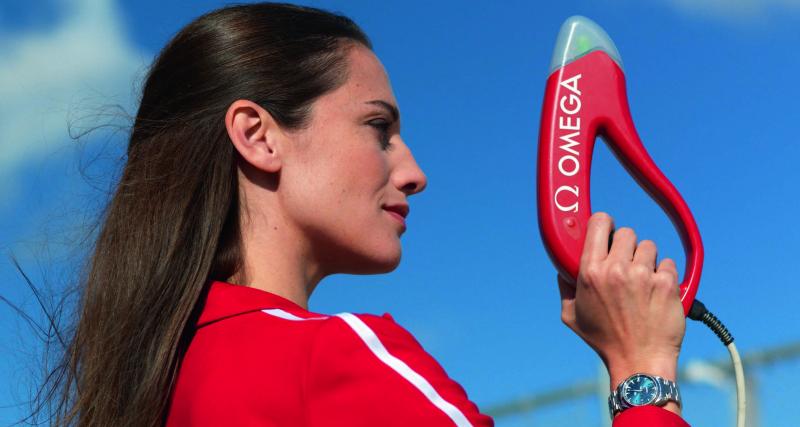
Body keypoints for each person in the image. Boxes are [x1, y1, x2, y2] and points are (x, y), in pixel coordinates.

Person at [44, 3, 690, 426]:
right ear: (259, 135)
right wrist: (641, 370)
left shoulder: (163, 381)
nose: (413, 171)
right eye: (378, 128)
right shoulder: (326, 364)